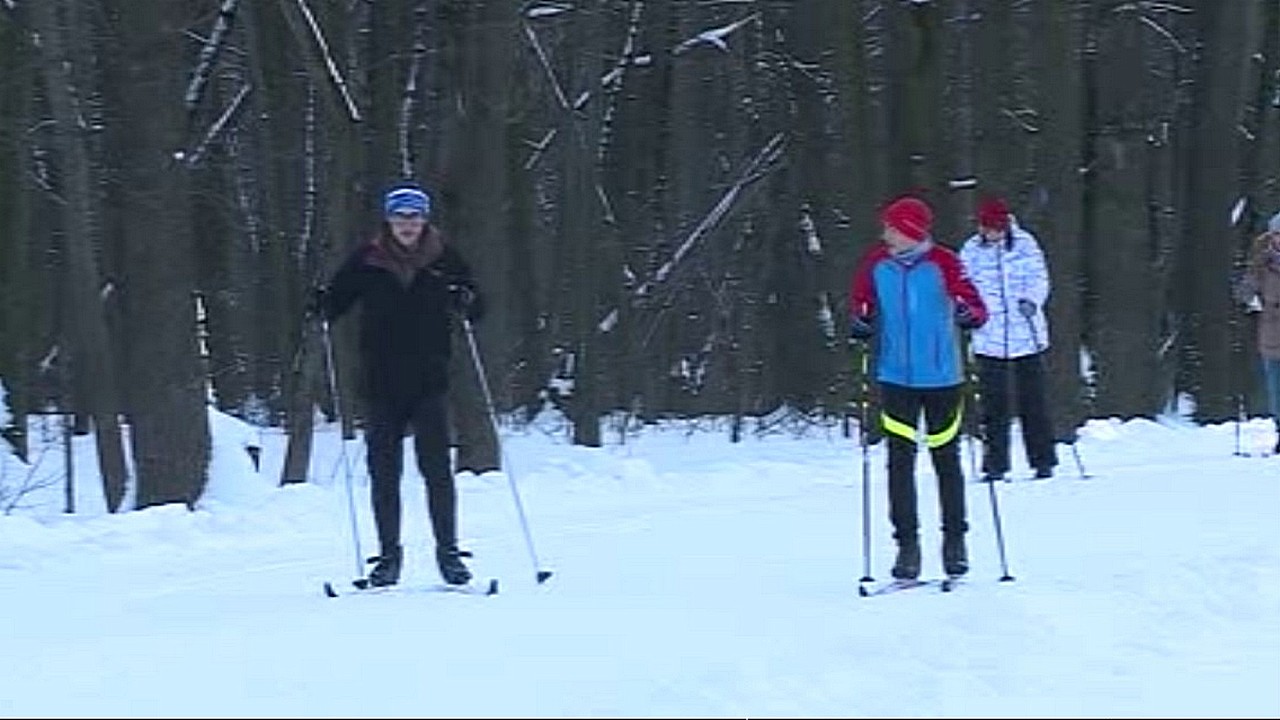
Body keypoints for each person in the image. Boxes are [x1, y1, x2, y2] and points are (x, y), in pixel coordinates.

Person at [316, 181, 485, 587]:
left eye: (414, 216)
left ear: (424, 220)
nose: (407, 224)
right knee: (384, 471)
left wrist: (468, 300)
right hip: (380, 378)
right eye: (400, 216)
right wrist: (321, 303)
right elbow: (337, 301)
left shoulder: (444, 258)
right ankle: (388, 558)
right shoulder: (368, 259)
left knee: (437, 469)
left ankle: (449, 555)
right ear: (388, 220)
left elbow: (477, 305)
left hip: (429, 377)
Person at [849, 195, 988, 581]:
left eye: (891, 227)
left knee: (947, 461)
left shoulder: (944, 262)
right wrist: (860, 319)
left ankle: (955, 542)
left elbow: (975, 304)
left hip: (943, 377)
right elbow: (860, 300)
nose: (885, 233)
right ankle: (907, 547)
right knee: (899, 462)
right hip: (895, 377)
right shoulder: (876, 264)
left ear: (910, 231)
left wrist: (969, 314)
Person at [959, 196, 1058, 482]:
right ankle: (995, 465)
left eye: (998, 228)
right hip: (989, 337)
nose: (994, 234)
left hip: (1026, 334)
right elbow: (963, 286)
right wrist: (967, 310)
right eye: (988, 228)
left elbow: (1040, 277)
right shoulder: (971, 250)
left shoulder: (1026, 244)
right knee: (994, 404)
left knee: (1034, 401)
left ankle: (1043, 460)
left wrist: (1032, 300)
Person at [1236, 211, 1280, 454]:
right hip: (1272, 335)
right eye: (1278, 235)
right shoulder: (1261, 263)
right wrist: (1243, 291)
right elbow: (1246, 292)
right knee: (1277, 394)